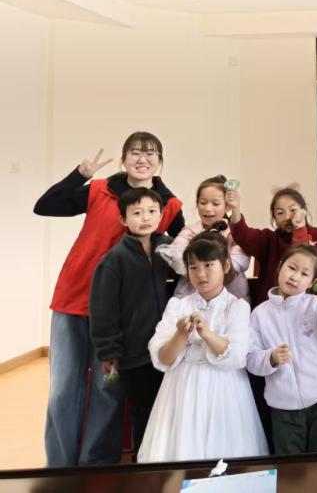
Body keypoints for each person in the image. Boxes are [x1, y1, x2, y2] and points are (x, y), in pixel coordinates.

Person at [34, 132, 183, 466]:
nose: (142, 159)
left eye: (151, 153)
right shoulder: (99, 190)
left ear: (160, 162)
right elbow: (44, 206)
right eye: (135, 152)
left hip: (123, 316)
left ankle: (96, 464)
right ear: (124, 159)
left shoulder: (169, 205)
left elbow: (184, 250)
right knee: (63, 389)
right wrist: (79, 175)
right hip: (74, 301)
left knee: (108, 389)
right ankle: (59, 466)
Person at [138, 231, 267, 462]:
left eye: (208, 265)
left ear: (225, 266)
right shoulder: (177, 305)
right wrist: (180, 335)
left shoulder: (237, 307)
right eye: (193, 267)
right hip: (181, 390)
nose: (200, 274)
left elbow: (237, 356)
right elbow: (162, 358)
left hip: (226, 390)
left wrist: (206, 334)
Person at [88, 188, 173, 452]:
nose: (145, 217)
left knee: (169, 414)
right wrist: (109, 351)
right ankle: (143, 465)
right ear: (123, 219)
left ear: (160, 215)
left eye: (151, 211)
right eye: (137, 213)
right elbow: (103, 310)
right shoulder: (114, 260)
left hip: (170, 351)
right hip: (136, 355)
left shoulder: (169, 250)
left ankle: (167, 463)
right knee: (143, 415)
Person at [247, 245, 317, 454]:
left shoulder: (316, 305)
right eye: (291, 268)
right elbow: (250, 358)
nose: (295, 277)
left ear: (312, 282)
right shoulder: (260, 314)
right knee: (290, 465)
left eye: (304, 274)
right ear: (280, 267)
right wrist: (270, 358)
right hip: (283, 407)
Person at [227, 185, 317, 306]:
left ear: (303, 211)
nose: (287, 217)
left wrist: (300, 231)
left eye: (293, 210)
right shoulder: (269, 239)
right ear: (274, 218)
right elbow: (242, 234)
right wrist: (235, 208)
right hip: (271, 306)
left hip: (307, 306)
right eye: (280, 213)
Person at [157, 174, 251, 301]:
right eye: (203, 202)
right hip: (191, 298)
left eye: (215, 203)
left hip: (230, 298)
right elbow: (176, 256)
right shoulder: (189, 232)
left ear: (227, 206)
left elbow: (238, 263)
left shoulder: (235, 234)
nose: (208, 208)